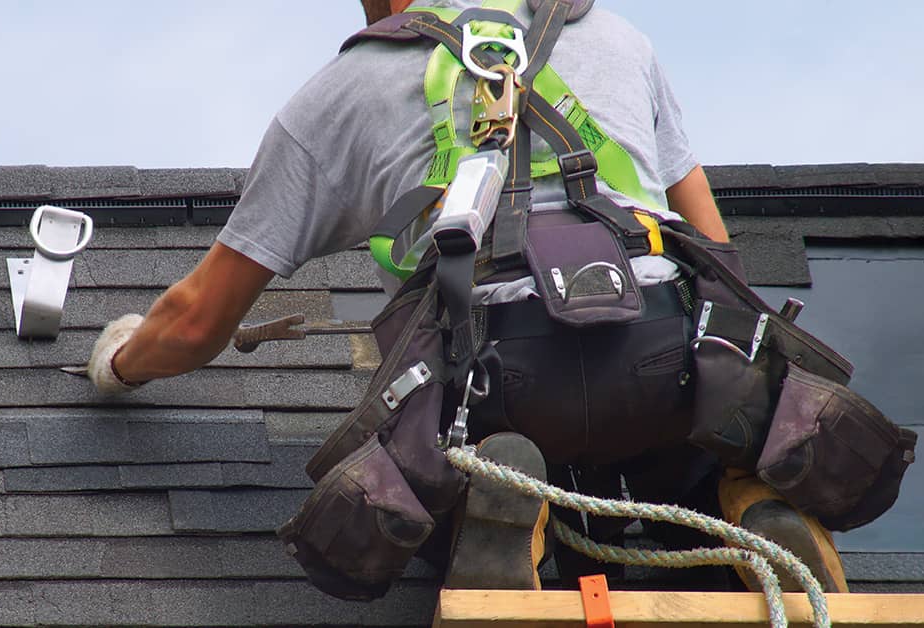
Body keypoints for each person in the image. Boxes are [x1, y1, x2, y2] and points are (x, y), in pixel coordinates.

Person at [86, 0, 847, 594]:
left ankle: (499, 504)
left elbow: (195, 322)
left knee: (434, 465)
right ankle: (746, 504)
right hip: (664, 359)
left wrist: (119, 365)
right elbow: (719, 261)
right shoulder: (619, 39)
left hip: (498, 377)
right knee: (697, 446)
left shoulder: (340, 92)